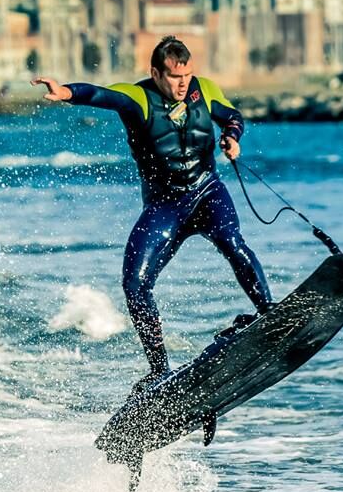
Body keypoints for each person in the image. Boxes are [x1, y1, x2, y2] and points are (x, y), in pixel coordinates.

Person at [32, 36, 273, 393]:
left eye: (187, 75)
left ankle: (270, 314)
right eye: (175, 76)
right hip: (165, 206)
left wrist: (232, 137)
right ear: (156, 73)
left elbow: (232, 115)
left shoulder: (203, 90)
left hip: (207, 191)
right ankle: (160, 369)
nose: (182, 83)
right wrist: (66, 92)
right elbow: (101, 95)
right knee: (134, 284)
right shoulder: (139, 99)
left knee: (234, 243)